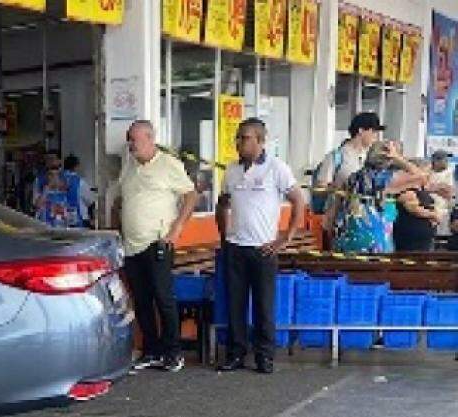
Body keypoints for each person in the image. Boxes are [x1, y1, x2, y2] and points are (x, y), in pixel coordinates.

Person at [215, 118, 306, 374]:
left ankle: (264, 356)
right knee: (235, 304)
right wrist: (224, 233)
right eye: (237, 138)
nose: (239, 143)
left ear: (260, 140)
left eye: (244, 138)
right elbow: (223, 204)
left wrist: (286, 237)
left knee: (264, 305)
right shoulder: (231, 170)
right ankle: (235, 353)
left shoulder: (277, 168)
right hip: (235, 246)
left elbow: (298, 200)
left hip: (263, 248)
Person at [112, 119, 198, 372]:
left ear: (149, 138)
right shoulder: (128, 166)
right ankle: (151, 351)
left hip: (157, 241)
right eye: (129, 140)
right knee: (142, 300)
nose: (131, 145)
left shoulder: (169, 164)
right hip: (130, 245)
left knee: (163, 298)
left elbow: (191, 195)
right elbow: (120, 201)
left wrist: (176, 229)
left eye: (135, 140)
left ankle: (173, 353)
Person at [325, 140, 428, 255]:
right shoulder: (387, 179)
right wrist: (398, 158)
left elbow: (336, 206)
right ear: (389, 159)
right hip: (374, 241)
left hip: (347, 237)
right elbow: (422, 177)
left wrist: (331, 230)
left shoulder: (353, 177)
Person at [311, 112, 383, 218]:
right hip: (338, 218)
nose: (376, 136)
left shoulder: (370, 158)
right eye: (373, 131)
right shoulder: (336, 156)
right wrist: (343, 190)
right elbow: (321, 186)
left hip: (364, 218)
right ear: (361, 131)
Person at [392, 161, 444, 252]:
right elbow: (413, 208)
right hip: (410, 238)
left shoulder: (423, 190)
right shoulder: (406, 189)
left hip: (426, 239)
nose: (428, 175)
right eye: (426, 172)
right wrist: (433, 215)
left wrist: (437, 215)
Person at [58, 154, 95, 228]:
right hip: (78, 221)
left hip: (60, 221)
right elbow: (90, 201)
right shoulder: (80, 182)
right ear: (76, 166)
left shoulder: (57, 180)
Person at [426, 150, 455, 238]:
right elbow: (424, 188)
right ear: (436, 161)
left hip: (443, 211)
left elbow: (448, 193)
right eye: (445, 160)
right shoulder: (427, 171)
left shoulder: (448, 172)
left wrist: (433, 188)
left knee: (441, 238)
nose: (447, 162)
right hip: (428, 209)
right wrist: (438, 187)